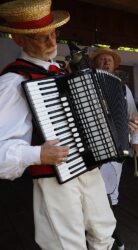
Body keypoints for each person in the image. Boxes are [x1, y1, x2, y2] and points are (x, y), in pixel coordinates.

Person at [0, 0, 120, 249]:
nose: (52, 43)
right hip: (54, 177)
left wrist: (113, 126)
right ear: (18, 40)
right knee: (66, 244)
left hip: (88, 169)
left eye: (54, 35)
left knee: (103, 233)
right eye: (42, 38)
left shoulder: (62, 72)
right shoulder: (12, 82)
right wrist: (37, 153)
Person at [91, 48, 138, 250]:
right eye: (102, 60)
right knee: (91, 197)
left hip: (116, 148)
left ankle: (112, 238)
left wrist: (136, 139)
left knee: (110, 195)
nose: (106, 63)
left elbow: (134, 116)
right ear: (95, 64)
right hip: (92, 150)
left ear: (114, 65)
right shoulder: (87, 84)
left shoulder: (123, 89)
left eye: (109, 60)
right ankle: (107, 238)